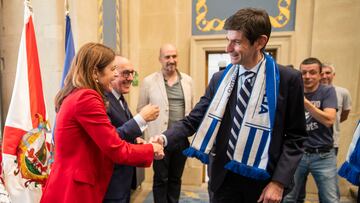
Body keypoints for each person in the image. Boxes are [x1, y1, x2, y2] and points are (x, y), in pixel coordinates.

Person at [151, 8, 307, 202]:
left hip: (264, 182)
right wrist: (164, 138)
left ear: (260, 42)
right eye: (228, 40)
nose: (228, 48)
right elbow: (194, 119)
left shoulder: (286, 79)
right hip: (222, 179)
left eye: (237, 42)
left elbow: (296, 137)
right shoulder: (220, 79)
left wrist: (279, 182)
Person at [40, 43, 164, 203]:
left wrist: (140, 146)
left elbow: (99, 142)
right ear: (95, 73)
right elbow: (115, 149)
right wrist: (150, 149)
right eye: (112, 69)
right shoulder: (87, 98)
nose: (115, 75)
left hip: (70, 183)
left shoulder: (78, 94)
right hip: (76, 190)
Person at [137, 43, 194, 203]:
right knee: (161, 178)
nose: (171, 60)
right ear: (160, 59)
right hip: (158, 139)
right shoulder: (149, 82)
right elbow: (141, 108)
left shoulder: (188, 81)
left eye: (174, 56)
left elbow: (193, 109)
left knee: (176, 178)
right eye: (167, 57)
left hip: (181, 140)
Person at [103, 56, 160, 203]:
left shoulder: (120, 98)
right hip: (111, 181)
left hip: (124, 178)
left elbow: (122, 129)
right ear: (113, 74)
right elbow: (111, 138)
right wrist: (141, 118)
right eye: (125, 73)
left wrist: (136, 140)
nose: (130, 78)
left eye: (132, 73)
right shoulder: (103, 100)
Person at [283, 57, 339, 203]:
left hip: (323, 155)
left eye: (312, 73)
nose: (307, 77)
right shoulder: (293, 90)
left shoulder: (327, 91)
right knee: (288, 197)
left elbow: (329, 120)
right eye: (303, 73)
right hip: (297, 153)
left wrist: (305, 103)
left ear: (320, 75)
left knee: (330, 199)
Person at [321, 63, 352, 154]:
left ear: (333, 75)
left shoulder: (343, 93)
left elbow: (344, 115)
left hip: (331, 143)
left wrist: (330, 121)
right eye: (321, 73)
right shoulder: (309, 92)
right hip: (308, 143)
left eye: (328, 73)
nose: (324, 76)